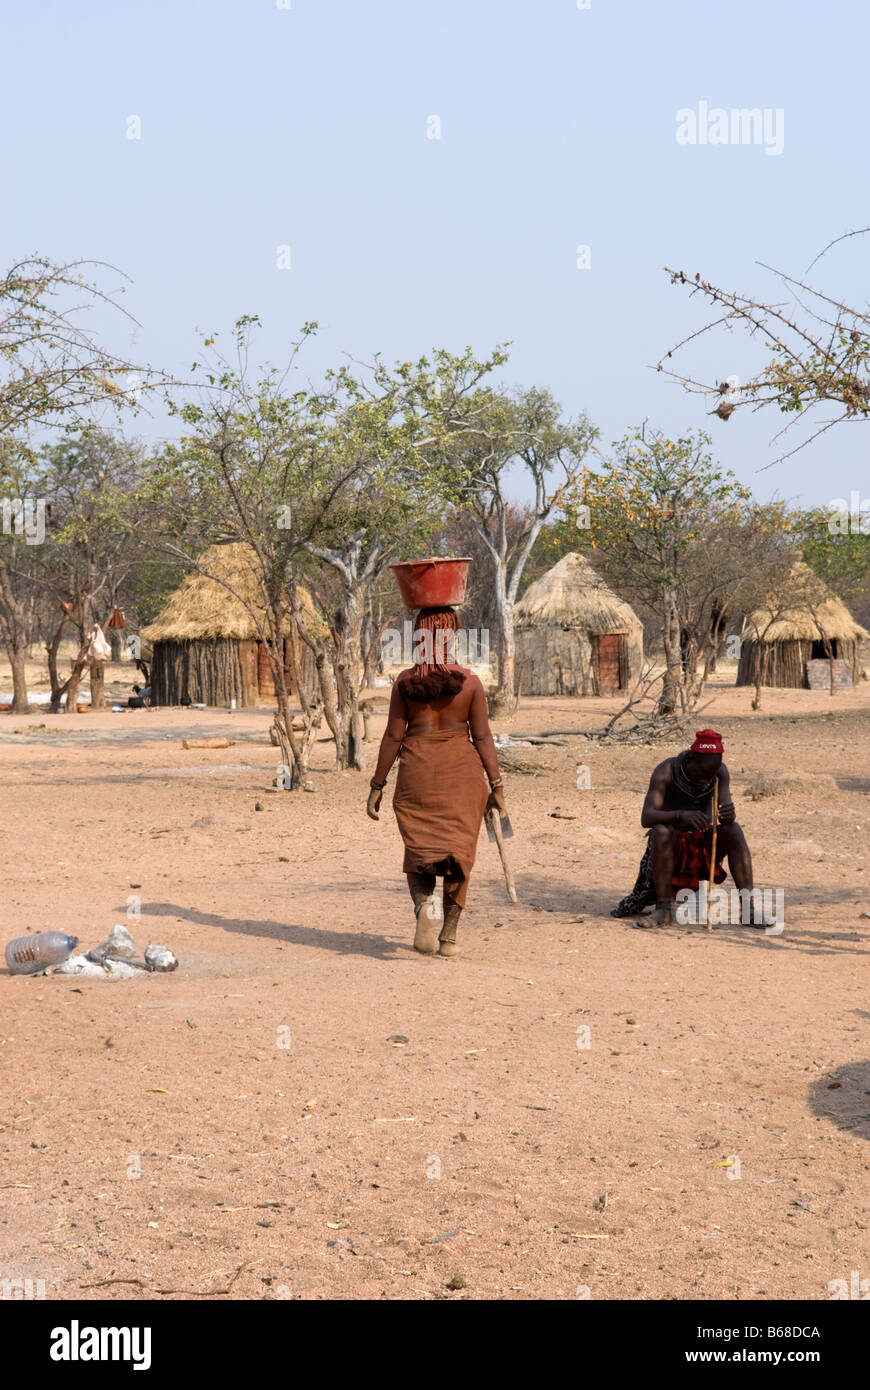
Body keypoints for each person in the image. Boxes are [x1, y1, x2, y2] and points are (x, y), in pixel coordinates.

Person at [366, 606, 504, 957]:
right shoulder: (470, 682)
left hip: (417, 773)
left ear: (418, 636)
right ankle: (449, 937)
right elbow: (484, 738)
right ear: (451, 635)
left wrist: (377, 785)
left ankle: (424, 907)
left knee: (419, 852)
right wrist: (497, 785)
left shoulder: (404, 682)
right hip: (463, 775)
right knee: (458, 854)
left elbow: (393, 736)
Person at [612, 728, 763, 927]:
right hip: (671, 844)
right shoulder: (666, 771)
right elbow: (646, 817)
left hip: (702, 845)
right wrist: (680, 815)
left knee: (734, 830)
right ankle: (663, 910)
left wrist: (728, 814)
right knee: (660, 831)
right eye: (699, 775)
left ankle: (749, 909)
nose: (704, 781)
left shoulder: (719, 772)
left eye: (708, 777)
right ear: (690, 759)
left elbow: (724, 818)